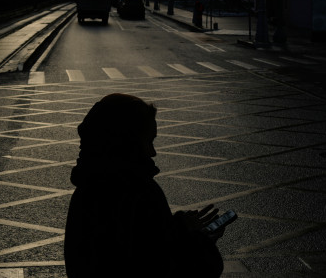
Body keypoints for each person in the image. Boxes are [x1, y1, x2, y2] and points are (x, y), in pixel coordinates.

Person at [65, 93, 225, 278]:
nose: (152, 152)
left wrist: (177, 226)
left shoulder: (88, 187)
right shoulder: (139, 191)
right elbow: (165, 266)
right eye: (148, 141)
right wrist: (200, 240)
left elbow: (132, 244)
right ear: (127, 142)